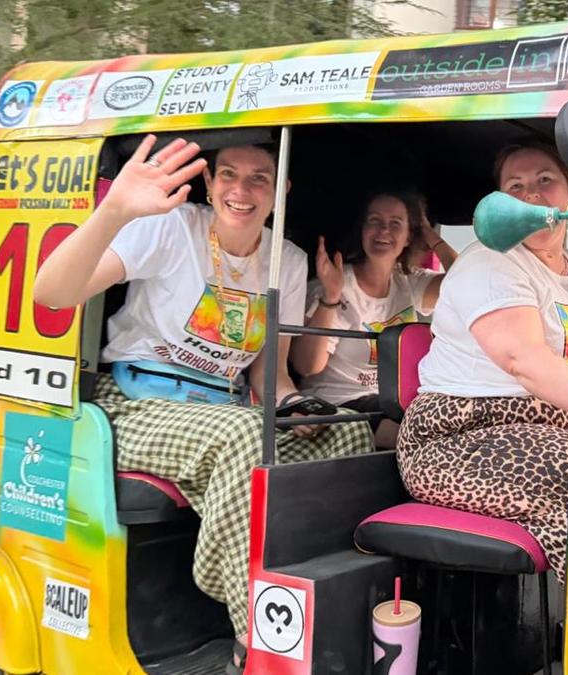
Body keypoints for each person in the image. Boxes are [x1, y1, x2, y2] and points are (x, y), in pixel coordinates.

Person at [33, 135, 372, 674]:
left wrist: (293, 406)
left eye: (259, 178)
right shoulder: (171, 228)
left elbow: (270, 375)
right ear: (210, 184)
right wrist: (114, 211)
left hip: (227, 406)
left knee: (349, 428)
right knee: (244, 438)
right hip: (136, 402)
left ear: (280, 190)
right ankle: (255, 638)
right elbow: (50, 293)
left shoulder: (286, 258)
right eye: (229, 175)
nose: (242, 189)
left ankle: (329, 605)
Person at [395, 139, 568, 582]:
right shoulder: (491, 260)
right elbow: (524, 360)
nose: (531, 194)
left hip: (550, 426)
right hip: (455, 436)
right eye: (515, 186)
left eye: (545, 180)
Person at [291, 190, 457, 447]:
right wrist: (330, 298)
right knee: (418, 432)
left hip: (394, 403)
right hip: (339, 403)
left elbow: (462, 280)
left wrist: (431, 236)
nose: (384, 231)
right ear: (362, 229)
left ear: (409, 236)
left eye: (395, 224)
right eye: (375, 221)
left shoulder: (409, 281)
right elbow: (307, 366)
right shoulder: (336, 282)